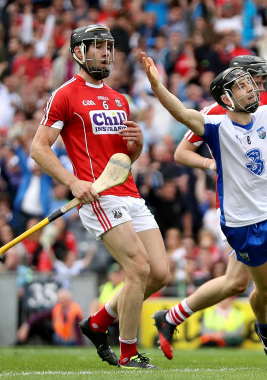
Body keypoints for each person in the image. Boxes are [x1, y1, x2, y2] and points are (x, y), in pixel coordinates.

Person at [142, 50, 267, 366]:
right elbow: (181, 113)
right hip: (242, 222)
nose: (253, 89)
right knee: (262, 289)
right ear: (227, 96)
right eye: (245, 86)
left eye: (253, 84)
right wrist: (157, 86)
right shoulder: (215, 124)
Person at [31, 25, 170, 369]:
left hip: (129, 193)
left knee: (160, 273)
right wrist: (73, 182)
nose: (104, 53)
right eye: (96, 47)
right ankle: (127, 353)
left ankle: (96, 323)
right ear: (78, 52)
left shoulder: (119, 99)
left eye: (107, 47)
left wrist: (136, 148)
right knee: (138, 267)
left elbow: (123, 161)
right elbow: (38, 148)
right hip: (97, 197)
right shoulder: (65, 94)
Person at [16, 289, 84, 346]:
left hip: (71, 342)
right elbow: (39, 316)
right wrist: (26, 326)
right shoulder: (57, 308)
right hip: (58, 339)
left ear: (69, 300)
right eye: (60, 299)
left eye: (63, 299)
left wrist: (80, 345)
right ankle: (19, 343)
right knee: (39, 327)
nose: (61, 301)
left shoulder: (75, 311)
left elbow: (78, 331)